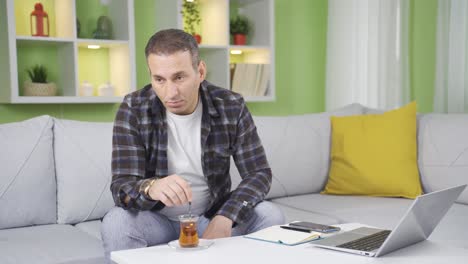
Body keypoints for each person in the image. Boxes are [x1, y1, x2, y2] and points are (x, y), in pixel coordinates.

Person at [101, 29, 285, 262]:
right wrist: (151, 187)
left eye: (179, 77)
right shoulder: (133, 108)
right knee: (116, 222)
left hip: (212, 215)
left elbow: (259, 173)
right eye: (159, 79)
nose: (171, 92)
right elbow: (121, 187)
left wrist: (226, 217)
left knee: (270, 215)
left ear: (200, 71)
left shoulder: (231, 105)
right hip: (157, 219)